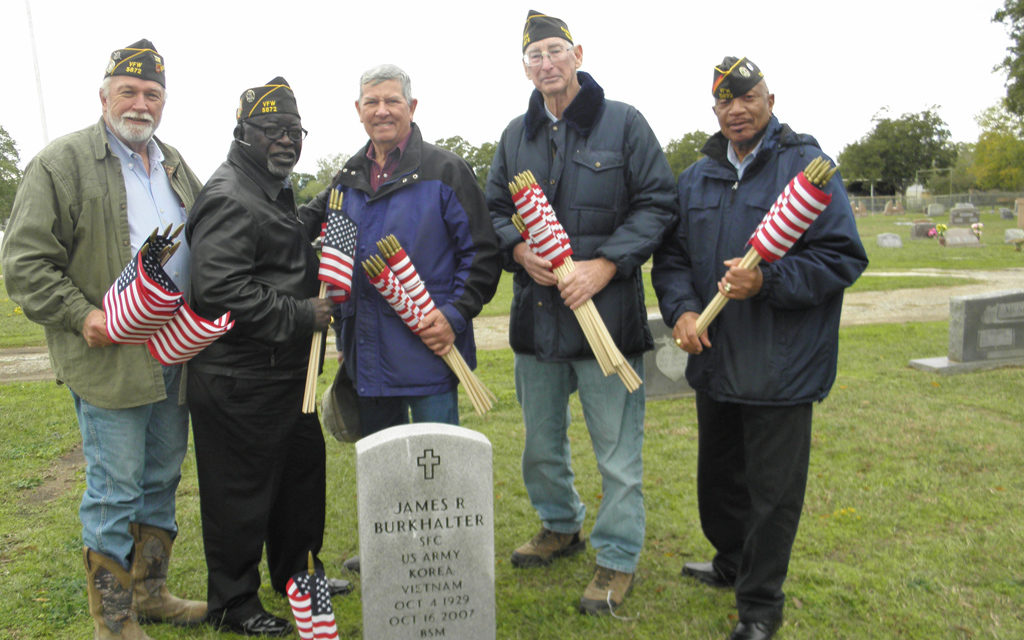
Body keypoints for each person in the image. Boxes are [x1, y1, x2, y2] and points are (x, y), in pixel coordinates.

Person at [651, 57, 868, 640]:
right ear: (714, 110)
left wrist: (766, 282)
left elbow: (841, 258)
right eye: (724, 102)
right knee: (718, 479)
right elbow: (672, 259)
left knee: (773, 494)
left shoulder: (808, 170)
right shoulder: (697, 176)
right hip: (716, 356)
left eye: (747, 98)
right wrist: (683, 310)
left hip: (781, 363)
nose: (736, 110)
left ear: (771, 99)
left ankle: (760, 607)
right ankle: (729, 562)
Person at [1, 39, 206, 639]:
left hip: (175, 352)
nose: (140, 103)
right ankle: (112, 621)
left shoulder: (174, 164)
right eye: (129, 91)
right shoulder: (59, 164)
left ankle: (150, 593)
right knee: (115, 489)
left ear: (163, 102)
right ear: (104, 96)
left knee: (162, 475)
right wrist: (84, 315)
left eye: (152, 94)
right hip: (109, 355)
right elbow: (26, 263)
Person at [486, 10, 678, 616]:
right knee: (540, 447)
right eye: (534, 55)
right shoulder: (516, 134)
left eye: (554, 51)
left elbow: (658, 203)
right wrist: (518, 249)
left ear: (577, 54)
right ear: (525, 67)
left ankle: (616, 558)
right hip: (537, 323)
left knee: (617, 454)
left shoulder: (624, 123)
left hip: (608, 321)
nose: (545, 63)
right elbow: (492, 210)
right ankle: (560, 525)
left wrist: (607, 264)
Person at [185, 77, 349, 637]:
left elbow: (274, 248)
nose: (286, 140)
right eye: (272, 130)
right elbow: (220, 289)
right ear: (243, 133)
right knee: (240, 496)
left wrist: (313, 212)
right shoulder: (230, 193)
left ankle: (300, 576)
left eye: (294, 130)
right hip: (239, 379)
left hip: (285, 376)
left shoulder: (270, 189)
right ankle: (232, 603)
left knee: (300, 485)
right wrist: (304, 315)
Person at [302, 63, 499, 436]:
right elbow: (340, 264)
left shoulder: (446, 170)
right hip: (369, 364)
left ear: (412, 106)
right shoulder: (347, 179)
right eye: (371, 102)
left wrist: (453, 316)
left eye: (392, 100)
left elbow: (483, 254)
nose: (382, 110)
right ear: (357, 110)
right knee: (384, 481)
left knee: (438, 474)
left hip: (431, 354)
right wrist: (345, 340)